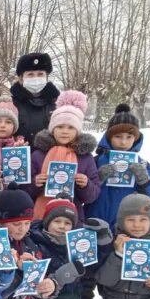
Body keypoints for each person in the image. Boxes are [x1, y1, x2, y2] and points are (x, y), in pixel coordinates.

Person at [23, 90, 100, 224]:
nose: (65, 131)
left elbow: (92, 196)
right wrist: (35, 183)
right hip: (39, 217)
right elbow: (24, 190)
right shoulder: (38, 154)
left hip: (71, 219)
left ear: (78, 130)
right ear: (52, 129)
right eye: (60, 127)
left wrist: (85, 185)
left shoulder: (85, 158)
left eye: (71, 127)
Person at [87, 104, 150, 230]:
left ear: (135, 139)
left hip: (128, 230)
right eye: (118, 136)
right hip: (95, 226)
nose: (123, 142)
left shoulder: (142, 165)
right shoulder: (93, 162)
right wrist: (98, 179)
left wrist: (145, 181)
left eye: (129, 137)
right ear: (109, 137)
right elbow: (81, 194)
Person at [9, 52, 60, 144]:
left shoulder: (58, 104)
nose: (36, 78)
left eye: (40, 74)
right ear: (21, 78)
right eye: (30, 74)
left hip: (51, 155)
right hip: (19, 156)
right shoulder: (10, 103)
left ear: (46, 77)